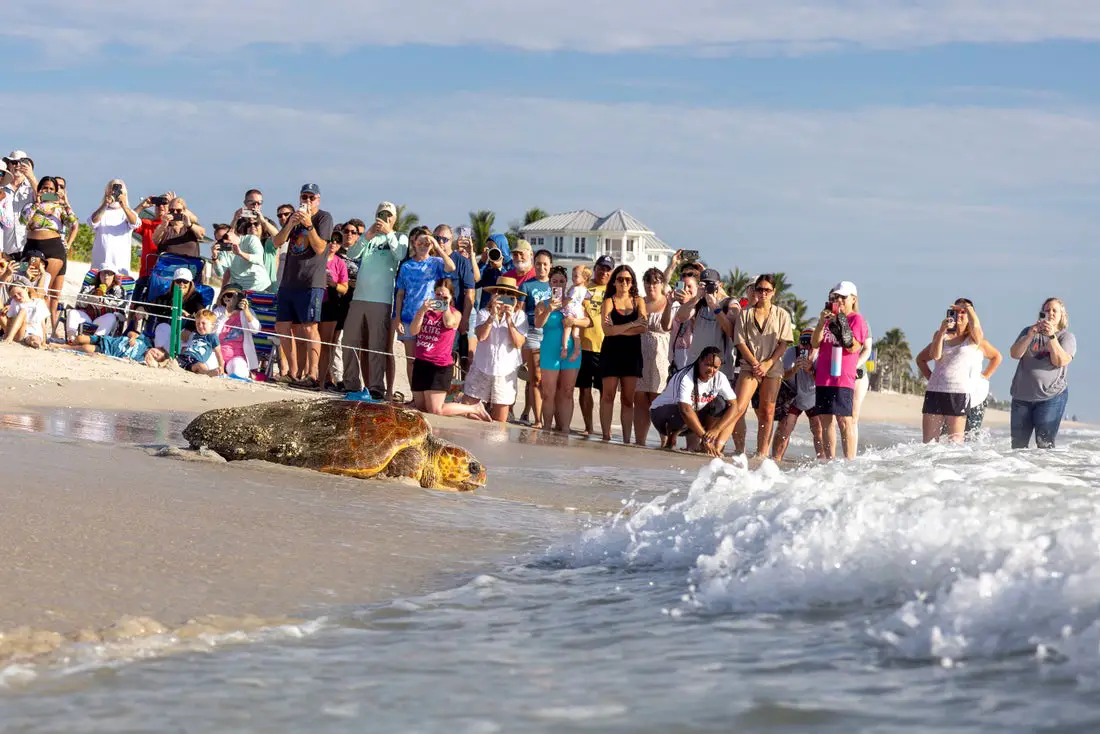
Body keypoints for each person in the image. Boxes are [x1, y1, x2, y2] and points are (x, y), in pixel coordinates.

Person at [343, 202, 408, 399]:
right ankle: (351, 384)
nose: (384, 217)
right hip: (359, 298)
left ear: (394, 218)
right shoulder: (369, 237)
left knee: (376, 345)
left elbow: (400, 255)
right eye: (381, 214)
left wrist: (388, 233)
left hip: (382, 301)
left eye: (388, 215)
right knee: (349, 341)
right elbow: (352, 254)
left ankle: (376, 387)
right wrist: (366, 236)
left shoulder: (399, 237)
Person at [272, 183, 334, 389]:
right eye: (303, 197)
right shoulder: (293, 218)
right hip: (289, 280)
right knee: (282, 326)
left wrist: (308, 225)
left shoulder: (323, 218)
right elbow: (276, 242)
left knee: (309, 327)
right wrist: (290, 224)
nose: (306, 201)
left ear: (318, 199)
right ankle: (292, 371)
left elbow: (320, 248)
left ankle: (312, 373)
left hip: (311, 281)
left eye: (310, 197)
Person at [916, 298, 1002, 440]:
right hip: (934, 392)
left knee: (955, 443)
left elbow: (996, 356)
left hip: (959, 393)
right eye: (956, 311)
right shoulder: (941, 334)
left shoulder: (974, 339)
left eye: (963, 312)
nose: (959, 315)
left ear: (970, 316)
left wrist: (985, 375)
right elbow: (933, 356)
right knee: (928, 443)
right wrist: (942, 331)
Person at [728, 274, 793, 457]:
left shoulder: (782, 314)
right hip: (749, 365)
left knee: (767, 410)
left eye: (767, 290)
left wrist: (767, 364)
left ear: (773, 292)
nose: (763, 293)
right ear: (754, 290)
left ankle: (761, 453)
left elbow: (784, 343)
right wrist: (756, 363)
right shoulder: (745, 313)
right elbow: (740, 342)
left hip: (773, 366)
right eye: (760, 289)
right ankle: (727, 445)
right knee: (739, 407)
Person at [409, 278, 491, 421]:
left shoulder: (455, 313)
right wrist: (422, 310)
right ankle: (466, 408)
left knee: (436, 410)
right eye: (438, 295)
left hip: (439, 365)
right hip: (421, 362)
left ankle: (473, 408)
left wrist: (445, 306)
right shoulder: (425, 312)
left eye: (444, 296)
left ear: (452, 297)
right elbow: (413, 331)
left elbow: (449, 323)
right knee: (421, 407)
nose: (440, 298)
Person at [810, 281, 869, 460]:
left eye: (843, 297)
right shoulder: (828, 319)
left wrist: (843, 325)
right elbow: (814, 343)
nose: (839, 300)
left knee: (845, 421)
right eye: (836, 297)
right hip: (823, 376)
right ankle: (830, 462)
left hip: (843, 377)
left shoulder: (857, 319)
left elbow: (854, 348)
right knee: (825, 421)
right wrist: (821, 323)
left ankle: (849, 462)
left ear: (853, 299)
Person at [393, 228, 456, 391]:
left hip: (430, 318)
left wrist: (436, 245)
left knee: (426, 360)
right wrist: (397, 318)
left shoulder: (435, 262)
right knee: (411, 359)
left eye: (426, 243)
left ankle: (428, 392)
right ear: (414, 243)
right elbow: (400, 293)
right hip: (408, 317)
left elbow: (451, 267)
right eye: (420, 242)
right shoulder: (406, 266)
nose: (423, 246)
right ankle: (415, 394)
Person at [1008, 298, 1075, 449]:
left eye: (1054, 310)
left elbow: (1060, 361)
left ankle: (1044, 472)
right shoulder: (1028, 331)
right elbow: (1015, 354)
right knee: (1017, 446)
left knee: (1044, 445)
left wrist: (1051, 336)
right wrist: (1030, 336)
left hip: (1051, 397)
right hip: (1022, 397)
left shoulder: (1066, 337)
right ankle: (1020, 473)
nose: (1050, 313)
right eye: (1046, 310)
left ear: (1061, 315)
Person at [649, 346, 738, 457]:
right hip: (662, 414)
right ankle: (671, 440)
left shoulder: (720, 378)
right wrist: (704, 437)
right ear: (700, 361)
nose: (711, 370)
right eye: (708, 365)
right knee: (681, 409)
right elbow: (685, 409)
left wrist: (716, 430)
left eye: (715, 367)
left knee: (721, 403)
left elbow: (735, 406)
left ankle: (704, 443)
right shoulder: (686, 377)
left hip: (692, 417)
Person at [462, 277, 528, 422]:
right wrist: (492, 315)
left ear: (515, 298)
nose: (504, 297)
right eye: (500, 292)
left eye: (508, 294)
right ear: (494, 295)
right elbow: (481, 336)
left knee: (499, 421)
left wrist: (510, 320)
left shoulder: (519, 316)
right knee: (468, 414)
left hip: (505, 372)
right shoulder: (484, 313)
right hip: (482, 367)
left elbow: (518, 343)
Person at [535, 265, 589, 432]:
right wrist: (549, 310)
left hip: (571, 350)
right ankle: (547, 427)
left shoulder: (574, 301)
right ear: (549, 284)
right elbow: (537, 324)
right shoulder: (543, 304)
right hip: (550, 350)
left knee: (567, 391)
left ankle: (564, 429)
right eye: (555, 281)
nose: (558, 284)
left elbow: (588, 322)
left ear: (567, 283)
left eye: (561, 281)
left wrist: (574, 322)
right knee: (548, 392)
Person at [599, 265, 647, 443]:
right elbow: (607, 331)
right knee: (608, 395)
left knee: (628, 398)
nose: (624, 283)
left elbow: (643, 327)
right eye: (620, 279)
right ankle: (606, 435)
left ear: (632, 282)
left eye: (627, 279)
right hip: (611, 352)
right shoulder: (609, 302)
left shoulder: (638, 301)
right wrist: (630, 324)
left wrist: (618, 328)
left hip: (632, 353)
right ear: (614, 282)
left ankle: (627, 439)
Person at [21, 176, 78, 324]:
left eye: (51, 189)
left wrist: (65, 203)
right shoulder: (31, 206)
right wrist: (37, 203)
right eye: (45, 188)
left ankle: (39, 326)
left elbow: (73, 223)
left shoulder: (60, 208)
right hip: (32, 248)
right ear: (39, 189)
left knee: (44, 287)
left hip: (53, 248)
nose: (48, 191)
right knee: (30, 283)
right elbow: (23, 220)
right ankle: (29, 323)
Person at [771, 329, 822, 461]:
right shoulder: (791, 352)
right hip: (794, 395)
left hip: (815, 397)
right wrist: (795, 369)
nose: (806, 347)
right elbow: (783, 375)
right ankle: (775, 460)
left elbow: (825, 382)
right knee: (784, 428)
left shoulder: (821, 355)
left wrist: (811, 371)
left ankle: (824, 463)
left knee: (819, 430)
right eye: (803, 343)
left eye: (810, 343)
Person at [635, 267, 671, 447]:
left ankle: (664, 440)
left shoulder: (669, 301)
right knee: (640, 398)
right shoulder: (639, 302)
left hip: (661, 355)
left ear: (662, 284)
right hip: (639, 354)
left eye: (656, 282)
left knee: (657, 399)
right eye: (648, 281)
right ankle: (639, 441)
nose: (651, 285)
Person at [577, 255, 613, 435]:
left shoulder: (614, 290)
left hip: (606, 347)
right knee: (584, 389)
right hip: (584, 346)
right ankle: (588, 427)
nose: (604, 272)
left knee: (606, 392)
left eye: (608, 269)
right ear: (595, 267)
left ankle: (605, 429)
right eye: (601, 268)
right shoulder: (583, 287)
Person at [518, 248, 552, 426]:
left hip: (551, 333)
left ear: (550, 266)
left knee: (544, 377)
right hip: (532, 332)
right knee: (534, 377)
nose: (541, 267)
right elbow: (520, 311)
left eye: (545, 264)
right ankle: (534, 417)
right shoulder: (526, 285)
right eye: (538, 264)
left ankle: (534, 414)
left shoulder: (555, 286)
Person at [317, 231, 349, 391]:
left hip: (331, 303)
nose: (333, 243)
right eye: (331, 240)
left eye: (337, 241)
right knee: (312, 342)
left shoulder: (340, 263)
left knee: (327, 344)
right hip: (313, 301)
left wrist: (333, 284)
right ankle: (314, 377)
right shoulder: (316, 258)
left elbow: (345, 288)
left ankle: (322, 381)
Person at [87, 179, 139, 275]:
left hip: (120, 267)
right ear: (107, 192)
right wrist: (105, 204)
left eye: (120, 190)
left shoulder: (128, 213)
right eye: (113, 189)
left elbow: (135, 223)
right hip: (99, 266)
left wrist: (124, 206)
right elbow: (92, 221)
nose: (116, 193)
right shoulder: (102, 211)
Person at [144, 267, 206, 349]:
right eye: (178, 281)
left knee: (192, 335)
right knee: (162, 327)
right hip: (168, 331)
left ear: (190, 283)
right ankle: (162, 353)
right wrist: (140, 308)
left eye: (185, 281)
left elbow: (203, 315)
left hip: (185, 333)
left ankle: (177, 356)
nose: (181, 284)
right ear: (173, 283)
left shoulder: (196, 298)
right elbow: (149, 306)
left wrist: (189, 328)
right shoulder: (166, 297)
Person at [51, 329, 169, 368]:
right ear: (157, 347)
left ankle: (59, 346)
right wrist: (133, 337)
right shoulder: (146, 342)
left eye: (156, 357)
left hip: (108, 351)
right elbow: (132, 332)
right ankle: (68, 345)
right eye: (157, 352)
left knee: (86, 348)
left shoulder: (140, 359)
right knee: (80, 338)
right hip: (108, 340)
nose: (154, 354)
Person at [212, 287, 261, 379]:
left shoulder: (248, 312)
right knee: (208, 369)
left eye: (232, 295)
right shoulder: (218, 311)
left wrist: (246, 311)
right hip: (216, 354)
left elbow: (256, 330)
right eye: (225, 295)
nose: (228, 298)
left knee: (238, 372)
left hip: (237, 356)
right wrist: (226, 315)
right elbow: (211, 331)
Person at [212, 216, 270, 292]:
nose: (224, 241)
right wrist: (215, 257)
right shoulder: (224, 252)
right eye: (220, 241)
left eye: (225, 237)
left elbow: (258, 258)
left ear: (232, 231)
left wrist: (240, 253)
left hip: (261, 287)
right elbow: (220, 273)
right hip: (240, 291)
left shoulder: (250, 239)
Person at [66, 267, 126, 340]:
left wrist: (103, 300)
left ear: (114, 276)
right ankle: (71, 339)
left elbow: (119, 303)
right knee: (73, 312)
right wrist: (90, 299)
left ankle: (93, 341)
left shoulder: (118, 289)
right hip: (89, 317)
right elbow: (79, 302)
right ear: (99, 275)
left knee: (111, 317)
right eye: (103, 273)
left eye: (109, 274)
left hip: (105, 319)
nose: (106, 277)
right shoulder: (90, 287)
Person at [1, 152, 36, 256]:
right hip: (4, 248)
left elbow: (45, 200)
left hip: (28, 247)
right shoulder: (1, 188)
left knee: (28, 272)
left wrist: (32, 177)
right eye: (14, 162)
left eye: (22, 163)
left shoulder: (33, 186)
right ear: (9, 165)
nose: (17, 166)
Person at [132, 192, 173, 276]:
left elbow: (188, 222)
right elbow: (129, 222)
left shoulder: (175, 226)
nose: (161, 206)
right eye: (158, 204)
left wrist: (174, 205)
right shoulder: (147, 224)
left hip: (167, 276)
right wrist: (141, 206)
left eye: (165, 204)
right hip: (146, 275)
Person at [3, 278, 50, 348]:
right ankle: (9, 338)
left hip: (35, 331)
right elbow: (10, 321)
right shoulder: (15, 303)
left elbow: (43, 323)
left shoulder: (39, 302)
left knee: (34, 339)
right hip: (20, 332)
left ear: (26, 289)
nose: (18, 297)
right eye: (14, 296)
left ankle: (36, 343)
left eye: (19, 293)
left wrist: (44, 341)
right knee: (23, 311)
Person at [177, 309, 224, 376]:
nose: (200, 326)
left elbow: (218, 353)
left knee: (200, 366)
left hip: (196, 361)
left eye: (203, 323)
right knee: (172, 359)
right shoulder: (195, 335)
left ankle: (209, 373)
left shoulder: (212, 337)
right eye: (197, 323)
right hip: (184, 357)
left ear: (212, 325)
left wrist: (221, 367)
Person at [561, 264, 591, 363]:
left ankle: (564, 348)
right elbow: (589, 296)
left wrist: (561, 304)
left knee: (567, 328)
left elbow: (569, 299)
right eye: (572, 276)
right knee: (575, 334)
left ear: (584, 278)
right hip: (578, 312)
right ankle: (577, 350)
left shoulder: (575, 289)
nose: (573, 278)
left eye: (576, 276)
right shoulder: (584, 289)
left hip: (571, 310)